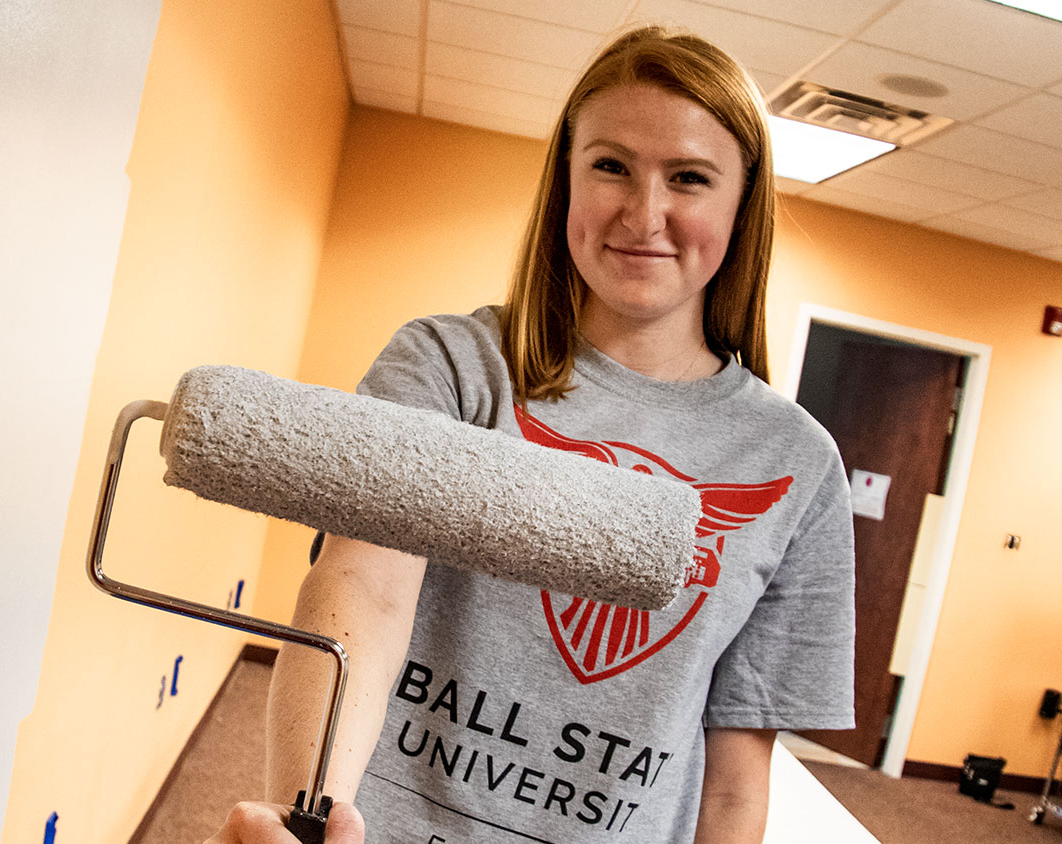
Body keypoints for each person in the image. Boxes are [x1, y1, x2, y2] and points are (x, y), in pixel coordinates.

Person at [207, 25, 855, 844]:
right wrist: (312, 814)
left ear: (741, 204)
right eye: (611, 165)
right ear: (566, 182)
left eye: (689, 178)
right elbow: (362, 587)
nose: (644, 213)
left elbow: (735, 775)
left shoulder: (795, 465)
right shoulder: (451, 365)